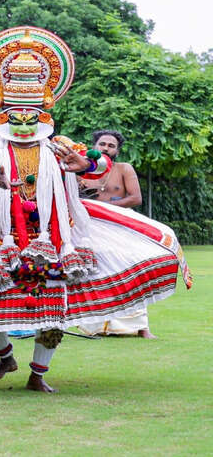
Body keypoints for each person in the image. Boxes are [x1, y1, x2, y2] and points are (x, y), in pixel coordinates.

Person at [0, 28, 191, 392]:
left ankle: (37, 376)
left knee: (54, 309)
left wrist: (81, 164)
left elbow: (98, 167)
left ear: (44, 110)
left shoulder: (59, 145)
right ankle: (6, 355)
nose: (25, 123)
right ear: (3, 112)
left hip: (56, 237)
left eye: (32, 115)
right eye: (17, 115)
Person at [77, 130, 155, 338]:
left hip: (120, 225)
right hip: (90, 227)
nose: (106, 148)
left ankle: (142, 327)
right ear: (94, 147)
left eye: (111, 146)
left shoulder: (123, 169)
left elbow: (135, 198)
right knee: (93, 271)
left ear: (117, 150)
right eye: (102, 144)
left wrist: (107, 207)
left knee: (130, 269)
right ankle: (93, 326)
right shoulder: (81, 170)